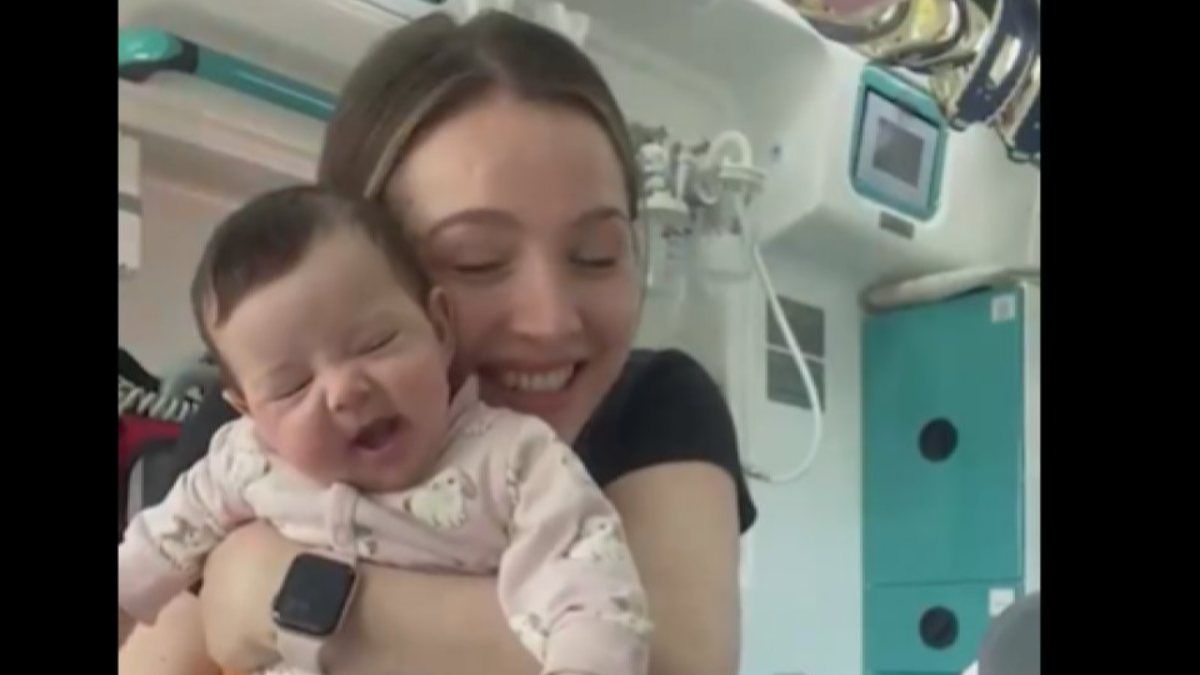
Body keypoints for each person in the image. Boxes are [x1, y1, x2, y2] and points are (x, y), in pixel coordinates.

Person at [119, 10, 755, 675]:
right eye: (477, 259)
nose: (550, 320)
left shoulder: (656, 406)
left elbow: (676, 665)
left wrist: (272, 589)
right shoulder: (265, 431)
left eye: (596, 254)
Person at [118, 186, 651, 675]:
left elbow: (591, 599)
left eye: (375, 344)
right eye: (293, 386)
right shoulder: (248, 461)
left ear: (438, 328)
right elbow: (154, 549)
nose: (344, 391)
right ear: (250, 413)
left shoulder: (514, 462)